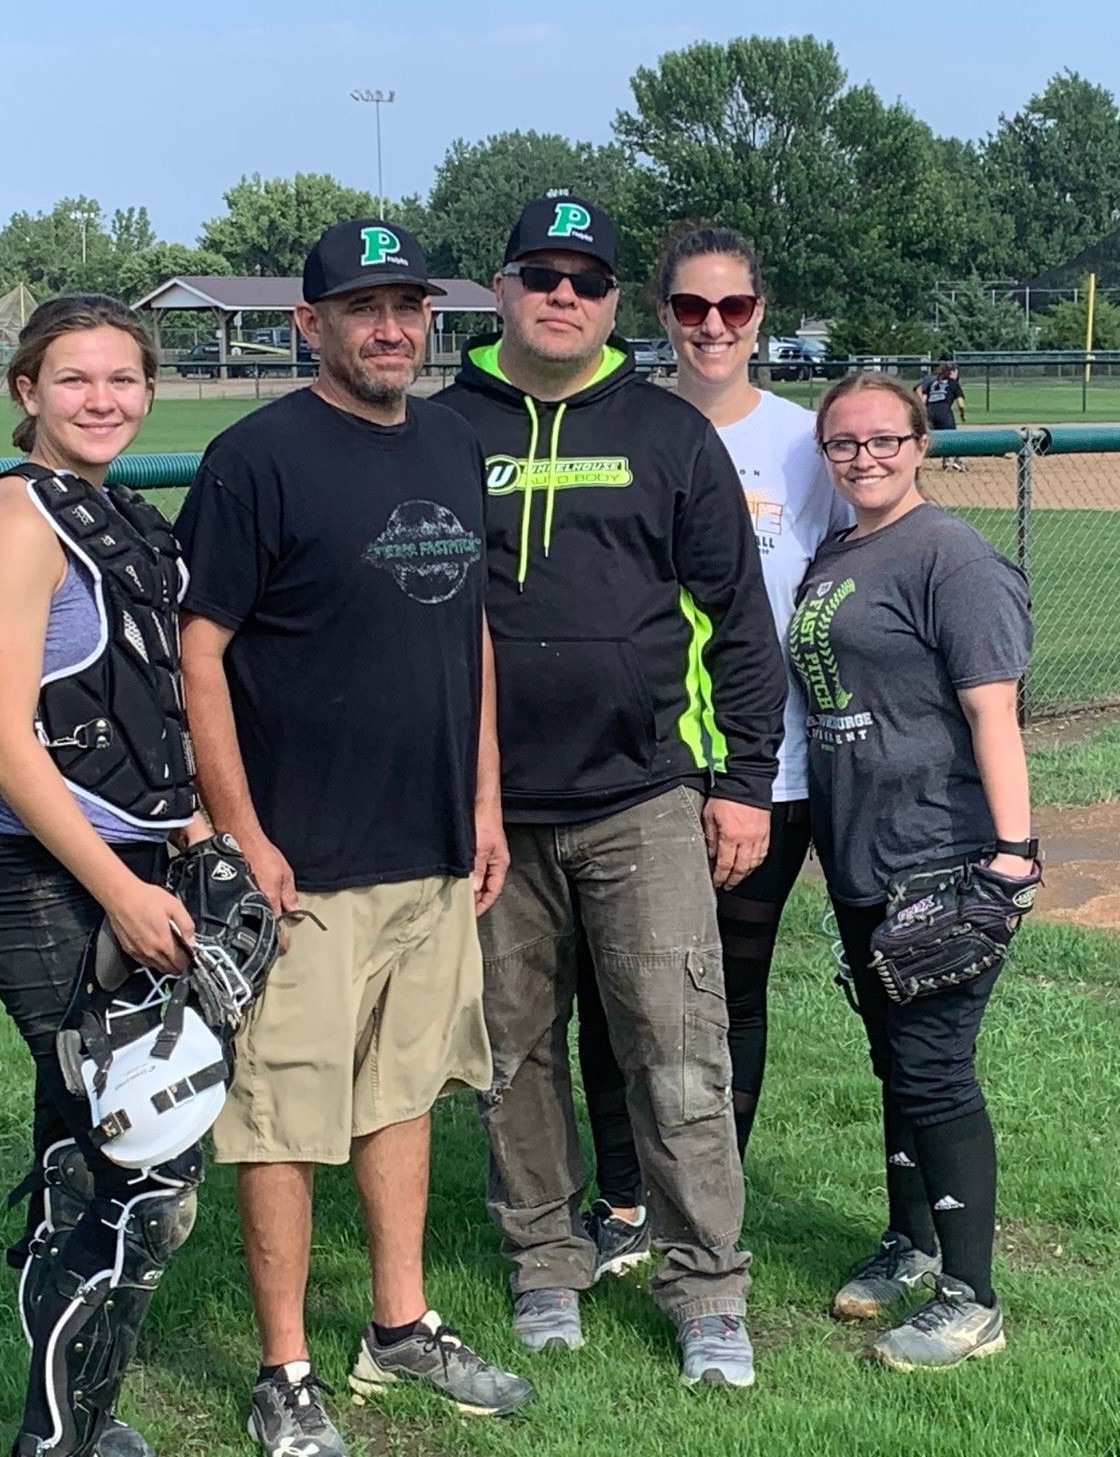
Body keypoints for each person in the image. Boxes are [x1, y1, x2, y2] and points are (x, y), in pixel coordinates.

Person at [177, 218, 530, 1457]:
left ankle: (400, 1323)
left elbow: (471, 630)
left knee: (403, 1093)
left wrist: (482, 799)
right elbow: (200, 651)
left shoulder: (446, 435)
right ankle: (283, 1368)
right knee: (283, 1116)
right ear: (307, 325)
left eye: (408, 306)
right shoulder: (253, 458)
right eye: (363, 308)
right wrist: (241, 832)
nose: (392, 328)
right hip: (306, 860)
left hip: (431, 846)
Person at [430, 193, 785, 1389]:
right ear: (504, 288)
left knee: (679, 1051)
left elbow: (740, 621)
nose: (563, 295)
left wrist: (743, 782)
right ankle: (545, 1263)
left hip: (645, 799)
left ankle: (707, 1289)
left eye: (586, 279)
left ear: (615, 302)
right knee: (514, 1051)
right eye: (541, 275)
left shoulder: (670, 432)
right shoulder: (440, 430)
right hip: (489, 809)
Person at [0, 294, 211, 1457]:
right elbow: (8, 741)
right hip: (41, 882)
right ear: (26, 393)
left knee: (83, 1161)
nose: (102, 400)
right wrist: (119, 886)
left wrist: (198, 838)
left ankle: (72, 1428)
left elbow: (148, 712)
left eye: (122, 379)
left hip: (123, 866)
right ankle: (58, 1440)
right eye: (74, 380)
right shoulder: (18, 519)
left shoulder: (112, 513)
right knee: (143, 1175)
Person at [572, 224, 851, 1280]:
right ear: (662, 315)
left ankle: (712, 1196)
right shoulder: (624, 426)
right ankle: (626, 1200)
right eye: (691, 308)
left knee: (729, 992)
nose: (713, 328)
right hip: (633, 765)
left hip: (764, 771)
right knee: (614, 994)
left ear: (760, 315)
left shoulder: (799, 444)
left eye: (733, 308)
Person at [786, 371, 1040, 1371]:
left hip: (940, 848)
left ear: (922, 444)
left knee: (934, 1070)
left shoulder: (952, 557)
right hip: (861, 854)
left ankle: (972, 1299)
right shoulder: (842, 549)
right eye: (845, 444)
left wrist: (1011, 861)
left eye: (885, 440)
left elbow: (993, 714)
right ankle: (911, 1240)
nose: (866, 458)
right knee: (894, 1062)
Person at [925, 362, 969, 469]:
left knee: (932, 436)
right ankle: (954, 460)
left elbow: (925, 399)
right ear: (952, 372)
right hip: (944, 410)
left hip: (928, 411)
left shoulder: (933, 383)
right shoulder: (953, 383)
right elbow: (961, 404)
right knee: (952, 436)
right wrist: (962, 415)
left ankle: (945, 460)